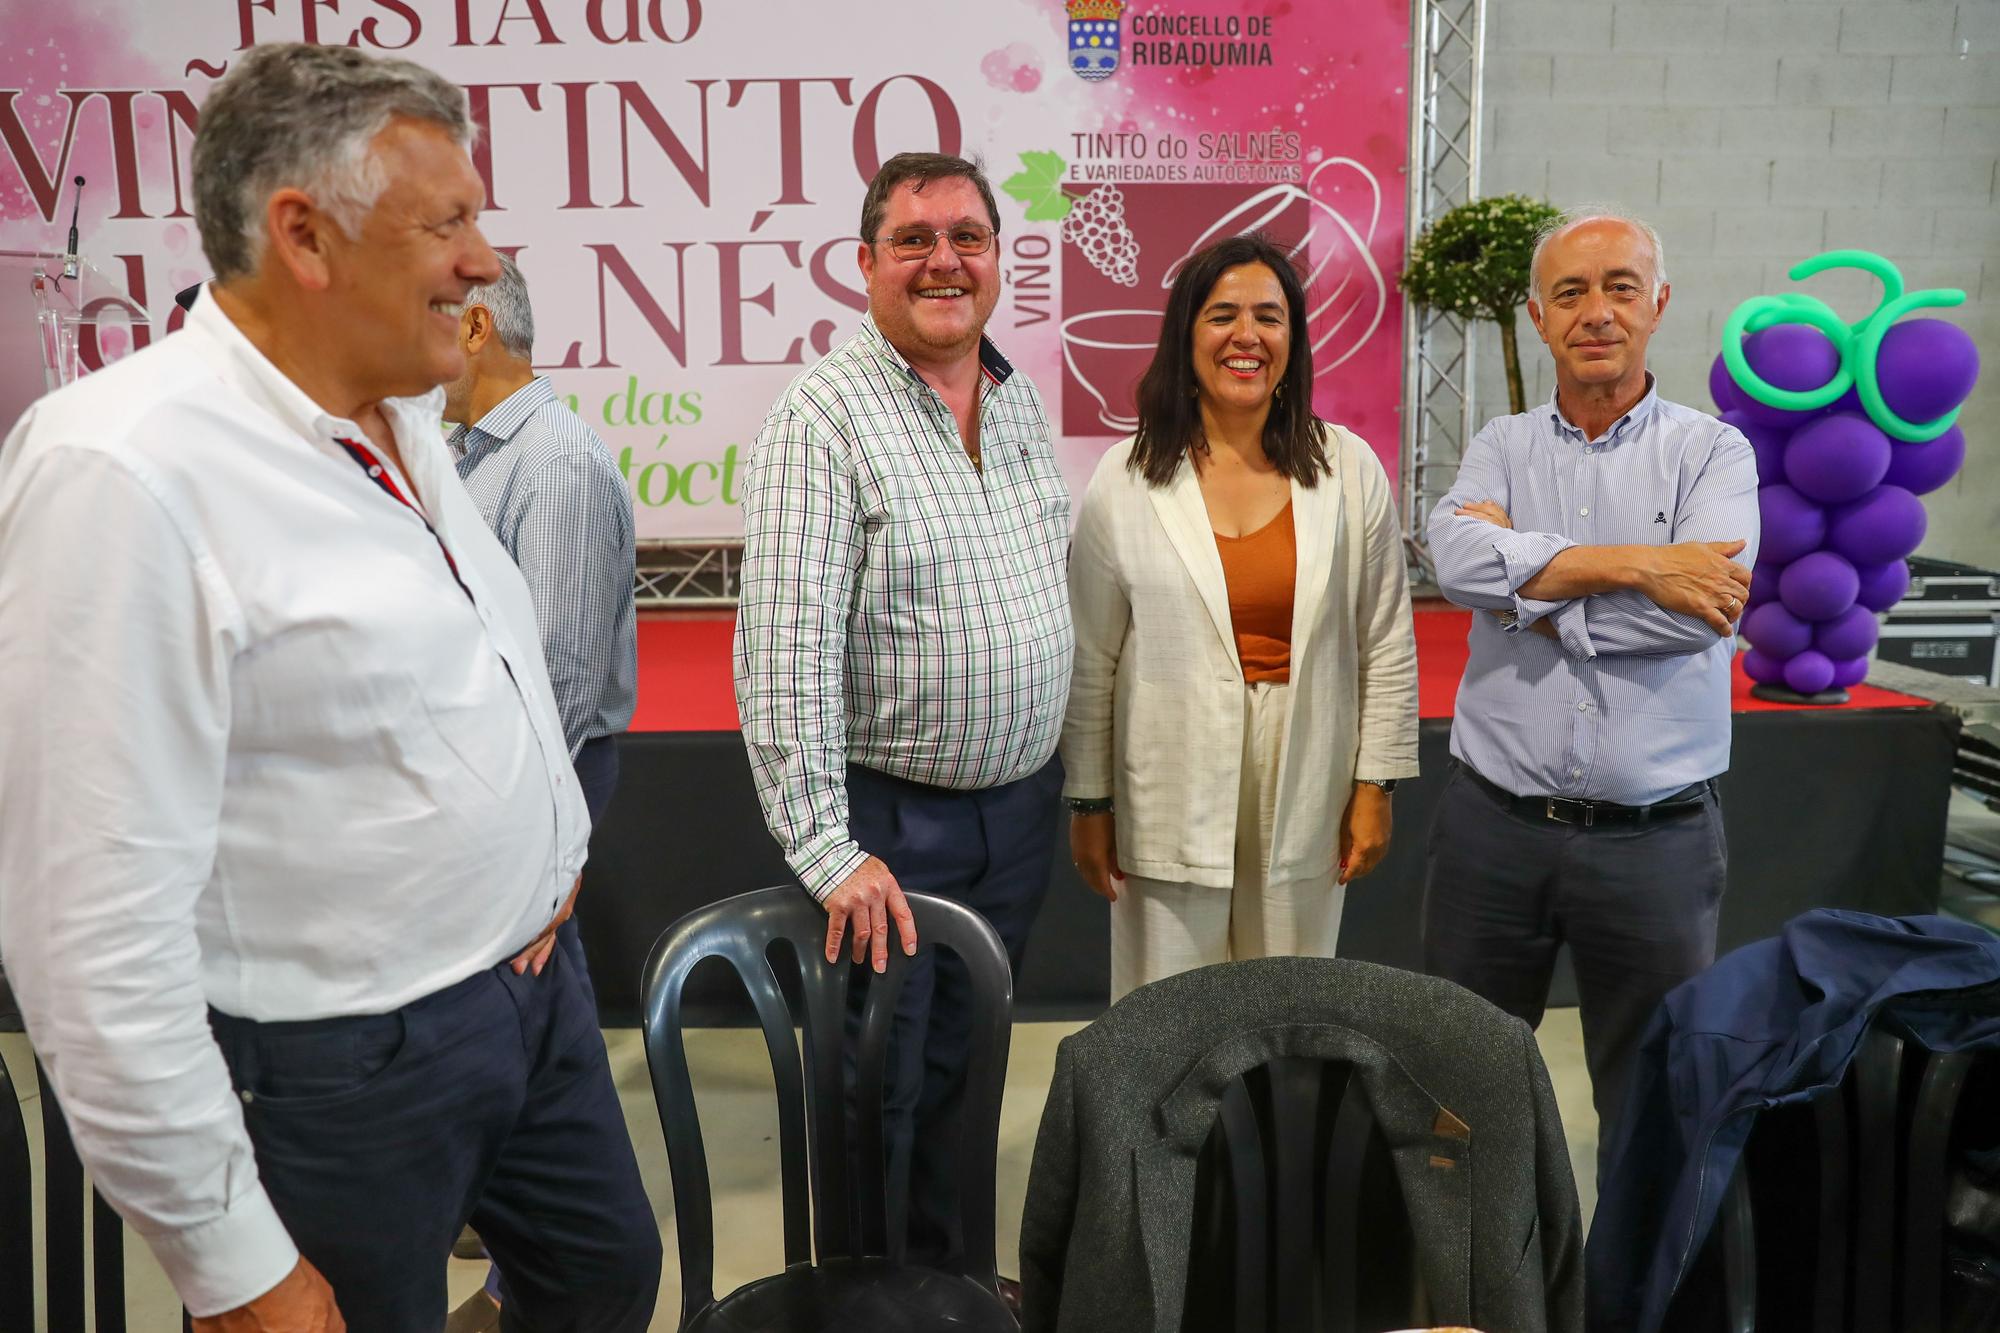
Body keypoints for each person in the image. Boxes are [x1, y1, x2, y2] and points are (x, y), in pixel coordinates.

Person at [0, 44, 660, 1331]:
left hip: (531, 994)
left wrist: (551, 848)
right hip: (340, 1069)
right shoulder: (122, 475)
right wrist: (233, 1265)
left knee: (600, 1280)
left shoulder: (396, 409)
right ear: (302, 235)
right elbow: (85, 936)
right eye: (450, 222)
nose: (485, 261)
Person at [734, 151, 1071, 1279]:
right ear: (865, 263)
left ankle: (955, 1291)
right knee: (874, 1094)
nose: (944, 259)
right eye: (915, 238)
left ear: (995, 258)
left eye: (966, 236)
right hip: (891, 827)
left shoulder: (1016, 398)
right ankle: (870, 1305)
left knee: (965, 1081)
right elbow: (781, 650)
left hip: (1012, 818)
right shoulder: (823, 420)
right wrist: (830, 851)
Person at [1423, 207, 1760, 1179]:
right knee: (1455, 1087)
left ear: (1656, 304)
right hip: (1492, 829)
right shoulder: (1499, 444)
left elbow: (1695, 615)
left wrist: (1523, 592)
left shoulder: (1711, 453)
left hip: (1653, 842)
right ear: (1537, 315)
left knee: (1652, 1101)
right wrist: (1633, 565)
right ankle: (1474, 1298)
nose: (1595, 311)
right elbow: (1453, 563)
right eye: (1569, 291)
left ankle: (1628, 1301)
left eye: (1619, 286)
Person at [1060, 234, 1419, 1002]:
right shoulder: (1123, 480)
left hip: (1308, 774)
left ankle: (1280, 1131)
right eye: (1222, 315)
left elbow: (1385, 638)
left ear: (1293, 338)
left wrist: (1376, 783)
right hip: (1166, 779)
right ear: (1186, 335)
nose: (1246, 336)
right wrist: (1089, 800)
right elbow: (1091, 657)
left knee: (1288, 1013)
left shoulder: (1349, 467)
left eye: (1269, 316)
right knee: (1166, 1021)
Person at [440, 253, 639, 1327]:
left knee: (535, 1002)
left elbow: (559, 681)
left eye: (430, 308)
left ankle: (530, 1273)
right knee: (522, 1003)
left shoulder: (552, 465)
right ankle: (515, 1232)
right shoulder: (464, 456)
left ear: (474, 328)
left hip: (543, 780)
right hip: (506, 788)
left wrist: (528, 834)